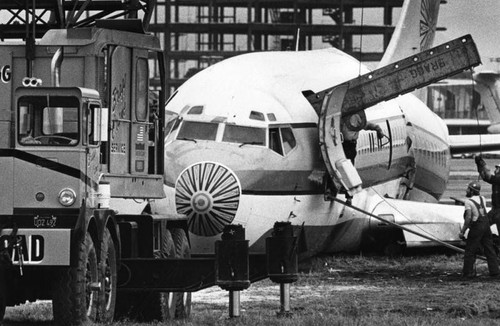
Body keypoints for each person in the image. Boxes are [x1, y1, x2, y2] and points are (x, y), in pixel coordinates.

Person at [459, 181, 500, 278]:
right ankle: (495, 272)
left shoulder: (468, 202)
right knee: (489, 249)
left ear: (472, 191)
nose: (466, 190)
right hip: (486, 226)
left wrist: (463, 231)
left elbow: (468, 217)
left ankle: (468, 273)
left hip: (477, 227)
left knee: (470, 250)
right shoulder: (483, 199)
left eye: (468, 189)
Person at [475, 155, 500, 234]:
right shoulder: (496, 181)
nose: (495, 170)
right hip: (495, 210)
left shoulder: (498, 179)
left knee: (482, 226)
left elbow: (488, 176)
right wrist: (479, 165)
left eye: (497, 168)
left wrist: (482, 163)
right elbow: (485, 176)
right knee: (482, 226)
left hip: (498, 211)